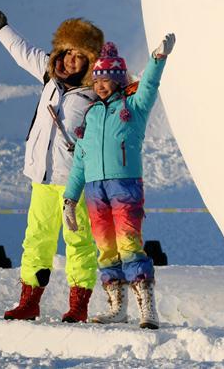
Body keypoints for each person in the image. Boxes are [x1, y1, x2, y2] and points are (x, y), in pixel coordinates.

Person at [0, 9, 103, 322]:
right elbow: (23, 53)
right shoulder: (49, 73)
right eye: (67, 52)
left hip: (76, 183)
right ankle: (29, 302)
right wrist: (2, 29)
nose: (70, 61)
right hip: (43, 178)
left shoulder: (96, 93)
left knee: (79, 242)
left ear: (90, 60)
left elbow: (129, 89)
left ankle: (78, 306)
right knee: (37, 238)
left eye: (79, 56)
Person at [61, 33, 175, 329]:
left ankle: (147, 308)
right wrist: (69, 199)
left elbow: (149, 86)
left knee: (129, 245)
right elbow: (80, 161)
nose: (100, 85)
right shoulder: (91, 115)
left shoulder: (133, 107)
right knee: (106, 248)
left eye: (106, 79)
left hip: (124, 186)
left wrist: (157, 59)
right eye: (97, 80)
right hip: (95, 190)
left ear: (118, 79)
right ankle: (117, 308)